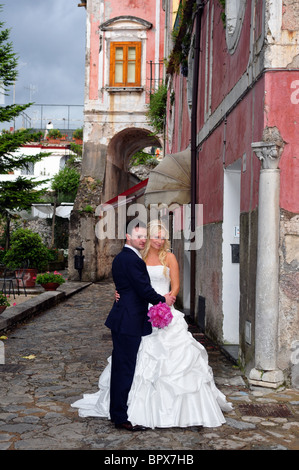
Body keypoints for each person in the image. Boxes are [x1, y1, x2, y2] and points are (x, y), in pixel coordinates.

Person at [72, 220, 233, 429]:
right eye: (149, 236)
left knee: (134, 364)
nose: (156, 240)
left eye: (161, 236)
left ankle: (122, 412)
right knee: (129, 365)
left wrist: (163, 304)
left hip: (153, 313)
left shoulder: (142, 257)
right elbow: (140, 287)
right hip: (137, 315)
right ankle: (121, 414)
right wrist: (144, 298)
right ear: (129, 237)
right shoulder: (136, 258)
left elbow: (168, 286)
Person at [72, 220, 176, 432]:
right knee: (124, 369)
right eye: (138, 236)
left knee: (122, 367)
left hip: (124, 317)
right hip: (128, 321)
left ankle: (117, 413)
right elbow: (143, 290)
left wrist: (123, 292)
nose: (143, 239)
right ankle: (120, 417)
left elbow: (128, 286)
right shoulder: (130, 259)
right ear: (127, 237)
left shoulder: (125, 257)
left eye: (144, 236)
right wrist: (162, 300)